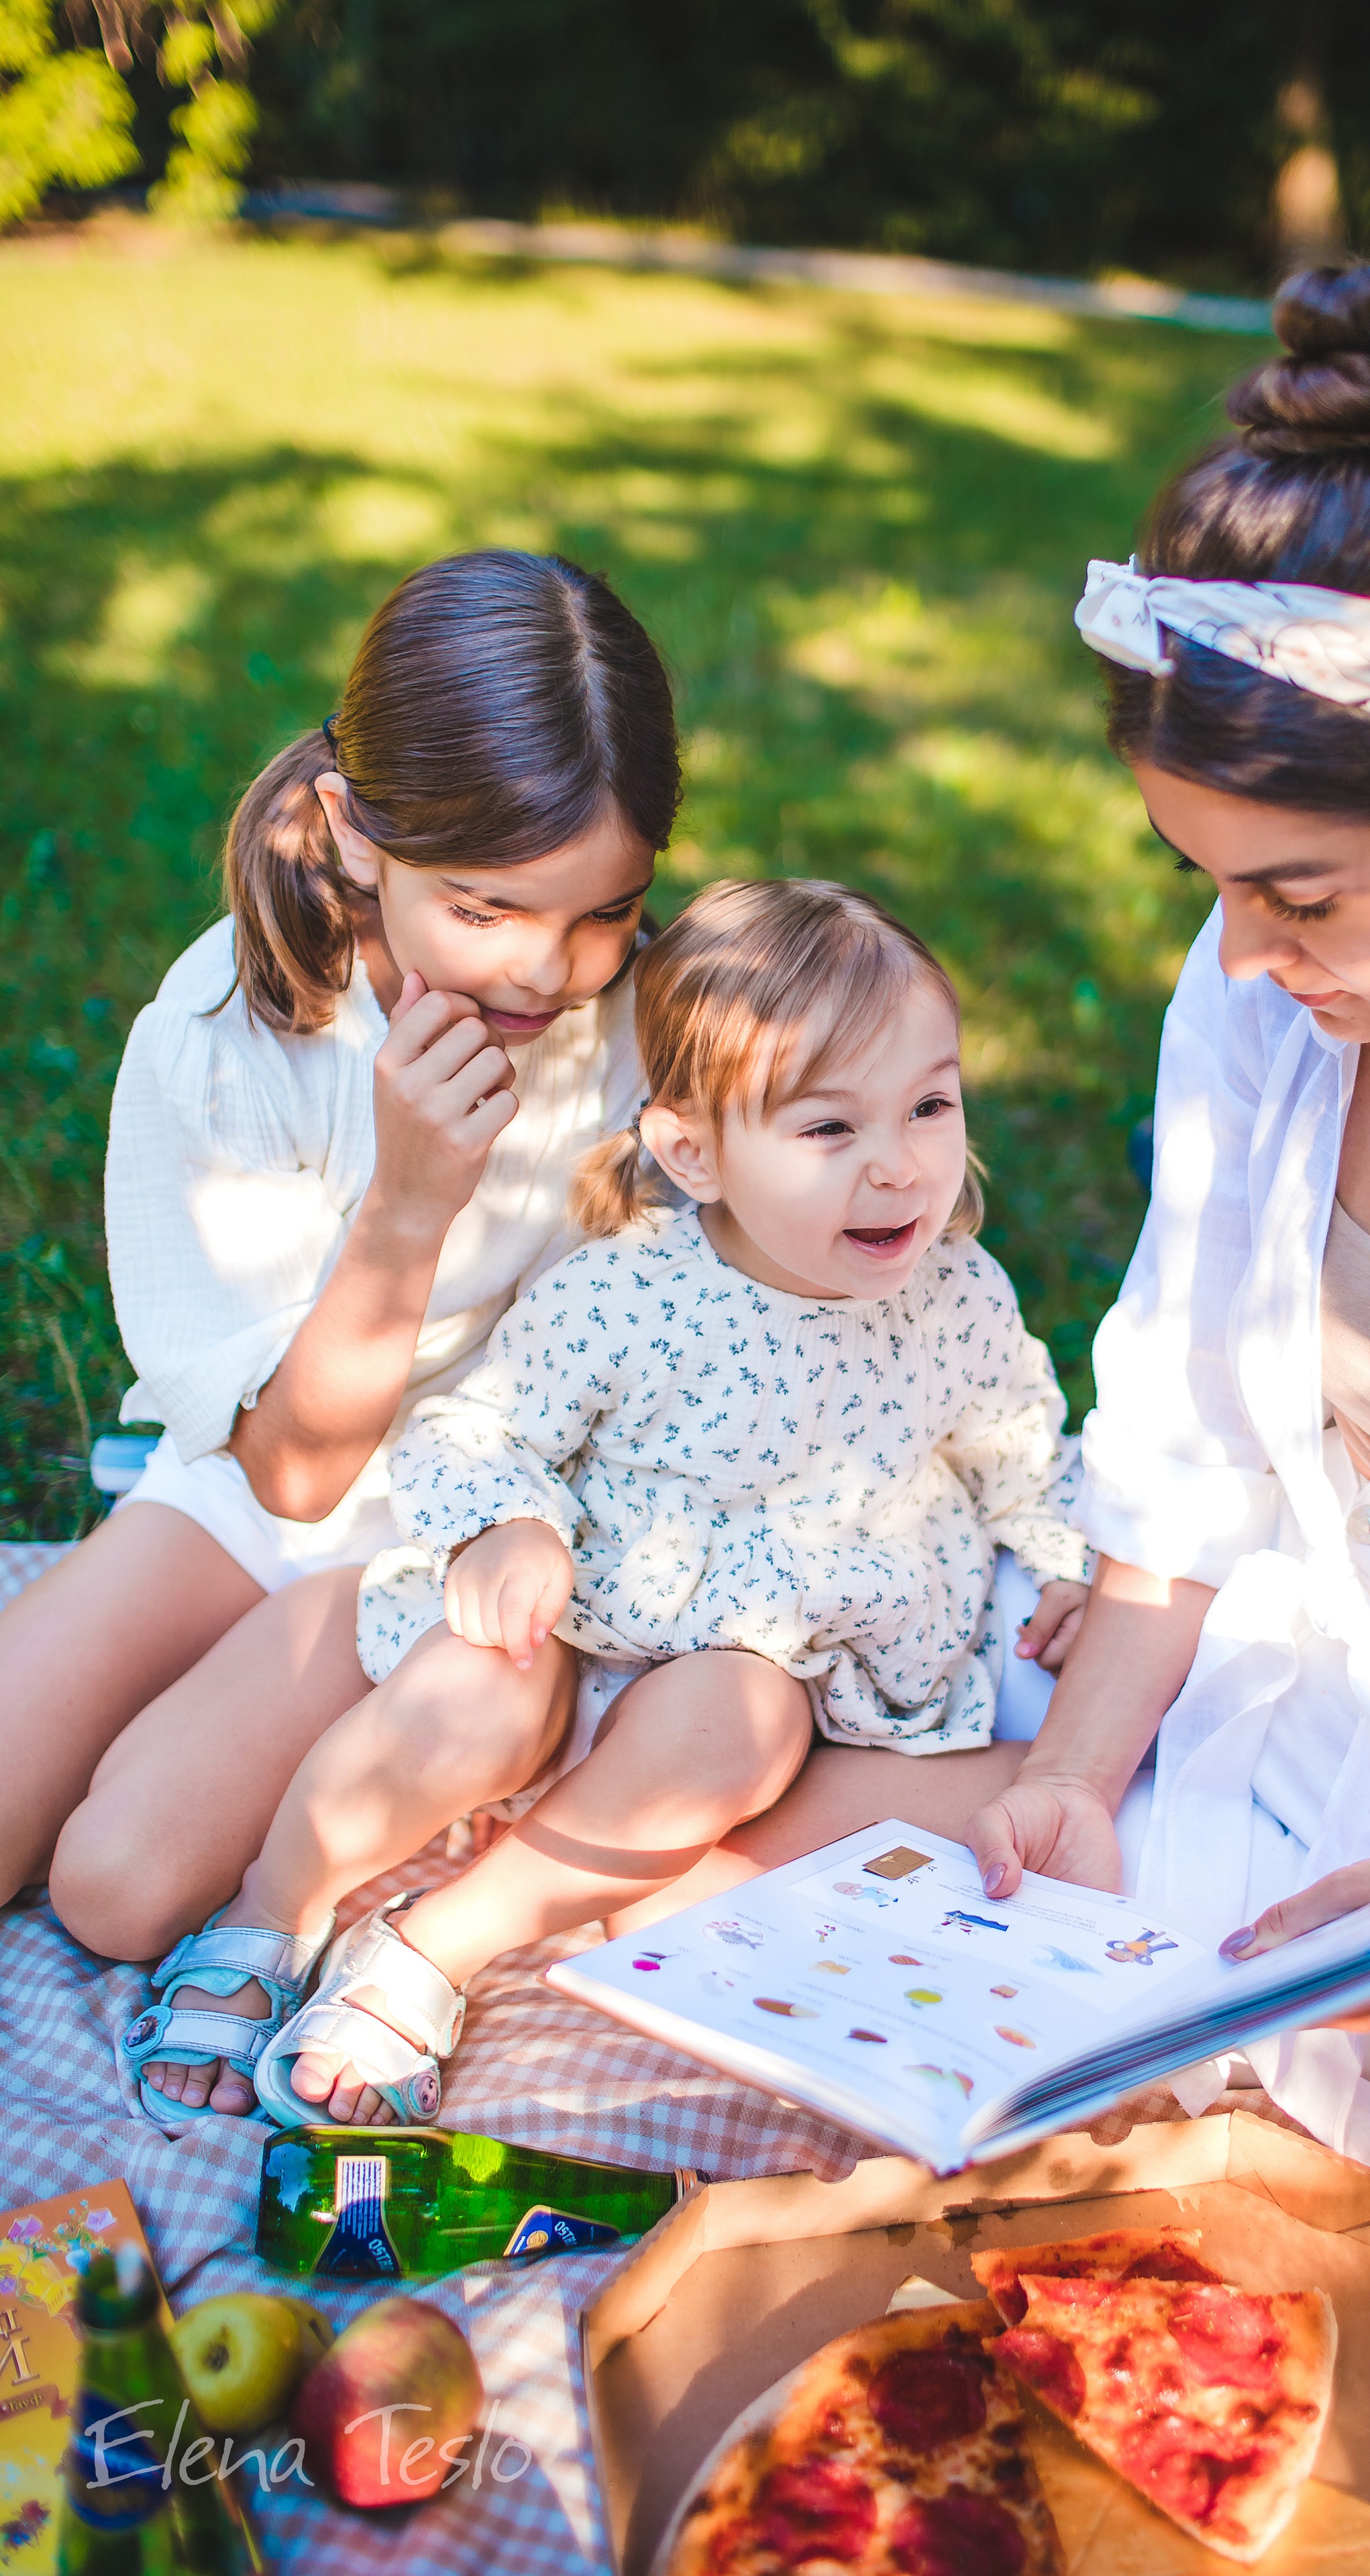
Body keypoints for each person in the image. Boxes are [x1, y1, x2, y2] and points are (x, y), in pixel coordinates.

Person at [723, 265, 1370, 2368]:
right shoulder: (1261, 984)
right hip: (1256, 1651)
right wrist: (1077, 1771)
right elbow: (1172, 1423)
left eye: (1302, 896)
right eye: (1212, 883)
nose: (1243, 956)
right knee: (741, 1698)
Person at [175, 877, 1091, 2128]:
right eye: (830, 1130)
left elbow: (1012, 1429)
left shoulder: (958, 1295)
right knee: (468, 1681)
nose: (900, 1166)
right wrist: (511, 1527)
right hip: (589, 1629)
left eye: (931, 1106)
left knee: (744, 1708)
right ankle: (273, 1903)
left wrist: (1053, 1547)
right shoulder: (627, 1298)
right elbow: (478, 1428)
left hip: (780, 1684)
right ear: (691, 1152)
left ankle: (433, 1945)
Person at [13, 548, 680, 2119]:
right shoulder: (230, 1039)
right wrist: (409, 1205)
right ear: (352, 835)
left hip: (463, 1519)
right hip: (266, 1470)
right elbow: (290, 1474)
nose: (545, 967)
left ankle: (282, 1844)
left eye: (605, 914)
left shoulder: (644, 1026)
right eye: (488, 907)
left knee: (113, 1886)